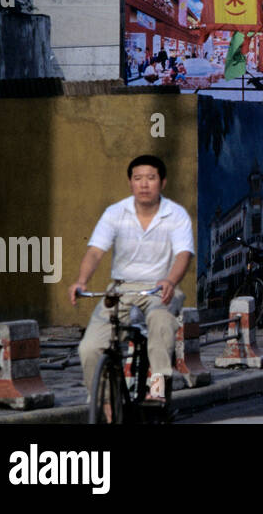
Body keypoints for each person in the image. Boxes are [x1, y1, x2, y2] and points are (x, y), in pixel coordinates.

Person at [70, 155, 193, 406]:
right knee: (90, 347)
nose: (144, 184)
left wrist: (170, 280)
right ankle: (104, 401)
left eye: (151, 178)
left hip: (160, 289)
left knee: (160, 322)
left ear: (162, 182)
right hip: (121, 288)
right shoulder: (115, 213)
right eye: (138, 179)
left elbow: (183, 254)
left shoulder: (176, 214)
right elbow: (95, 251)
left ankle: (157, 388)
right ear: (130, 183)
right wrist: (81, 281)